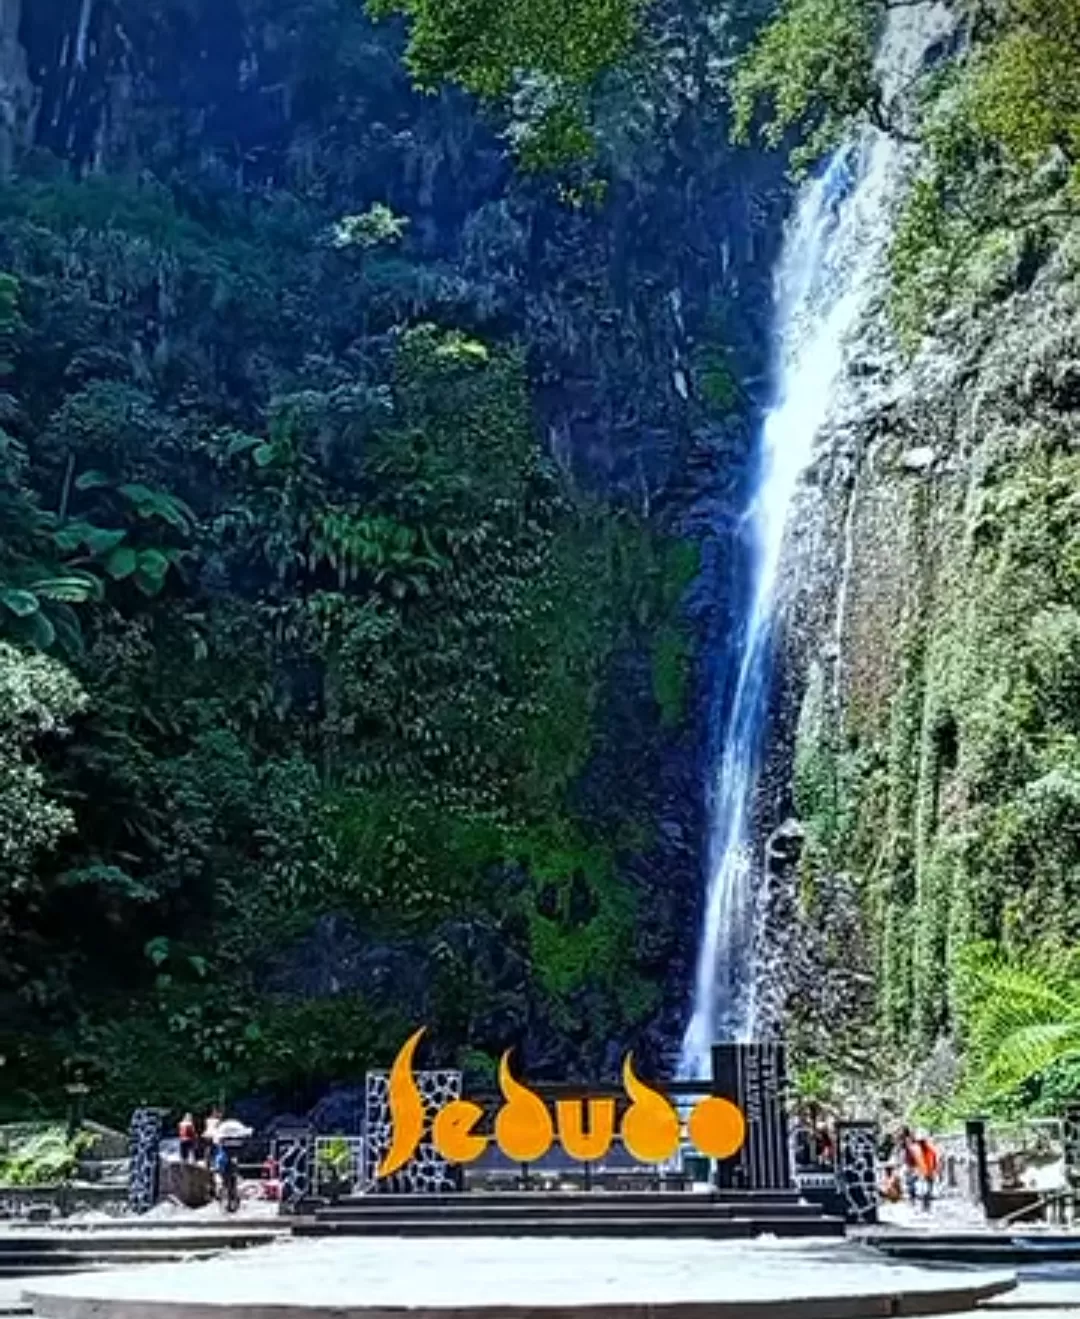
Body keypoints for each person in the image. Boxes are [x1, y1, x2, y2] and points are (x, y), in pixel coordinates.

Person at [912, 1131, 939, 1213]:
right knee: (922, 1191)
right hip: (921, 1173)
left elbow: (934, 1160)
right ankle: (924, 1207)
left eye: (921, 1141)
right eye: (919, 1142)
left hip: (929, 1172)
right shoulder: (916, 1150)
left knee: (928, 1191)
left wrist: (934, 1170)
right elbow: (915, 1161)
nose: (920, 1143)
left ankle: (928, 1207)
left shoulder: (930, 1149)